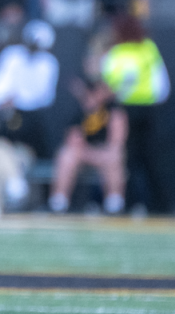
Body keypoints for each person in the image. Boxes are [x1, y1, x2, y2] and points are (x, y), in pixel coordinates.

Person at [0, 19, 60, 220]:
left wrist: (15, 99)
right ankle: (14, 183)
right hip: (6, 127)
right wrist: (6, 101)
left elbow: (42, 99)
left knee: (2, 158)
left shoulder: (48, 64)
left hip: (26, 138)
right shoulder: (12, 56)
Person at [101, 15, 170, 215]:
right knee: (143, 159)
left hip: (127, 110)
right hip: (147, 109)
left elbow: (108, 82)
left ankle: (132, 202)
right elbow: (162, 83)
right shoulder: (147, 48)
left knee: (130, 159)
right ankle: (151, 204)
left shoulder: (116, 53)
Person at [49, 76, 128, 214]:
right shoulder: (79, 111)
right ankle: (59, 202)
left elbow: (116, 142)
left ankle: (114, 204)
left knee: (114, 156)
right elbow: (73, 141)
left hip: (105, 153)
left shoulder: (114, 111)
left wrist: (99, 154)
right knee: (66, 155)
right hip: (84, 153)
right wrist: (91, 153)